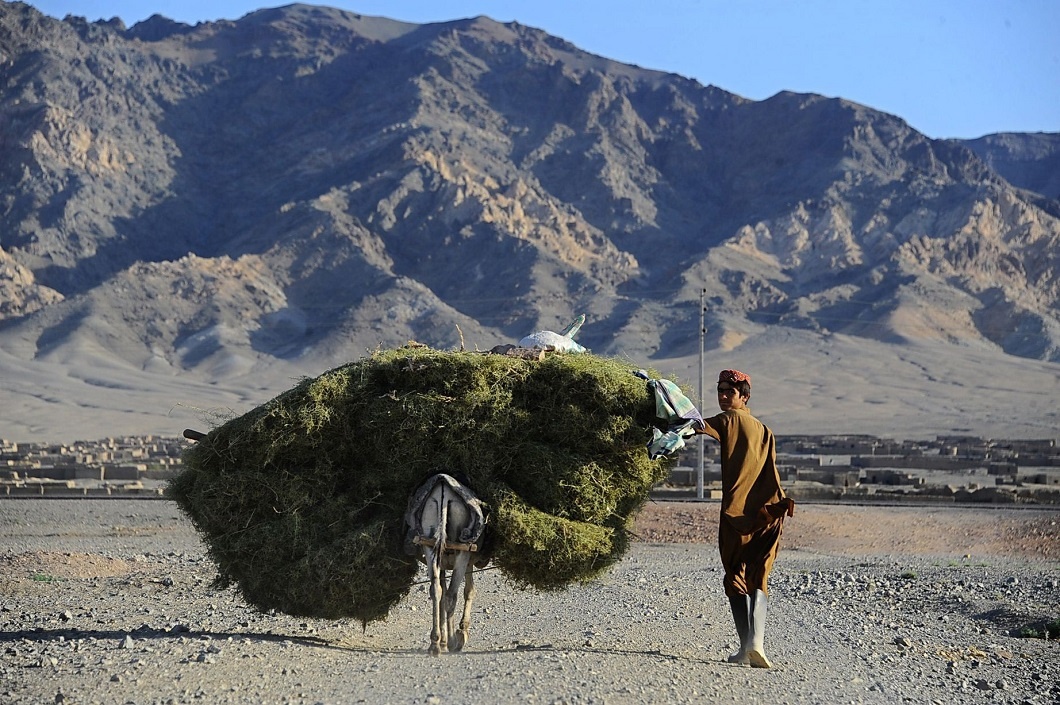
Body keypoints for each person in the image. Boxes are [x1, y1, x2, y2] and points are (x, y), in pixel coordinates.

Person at [693, 369, 794, 668]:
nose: (723, 396)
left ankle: (745, 646)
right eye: (720, 390)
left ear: (744, 396)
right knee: (759, 576)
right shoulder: (765, 430)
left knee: (735, 576)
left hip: (737, 517)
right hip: (769, 515)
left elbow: (693, 427)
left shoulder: (728, 419)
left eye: (730, 391)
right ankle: (755, 644)